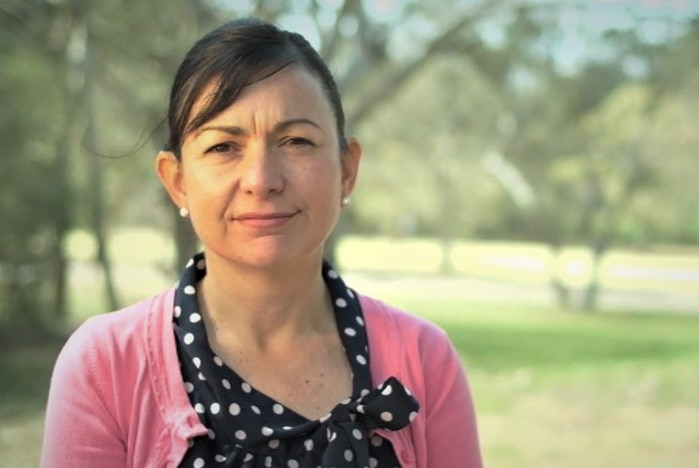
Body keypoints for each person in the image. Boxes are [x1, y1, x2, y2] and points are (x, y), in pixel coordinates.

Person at [40, 17, 482, 468]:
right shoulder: (105, 364)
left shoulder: (424, 359)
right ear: (177, 182)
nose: (261, 180)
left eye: (296, 141)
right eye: (223, 147)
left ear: (347, 169)